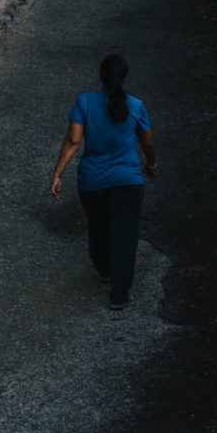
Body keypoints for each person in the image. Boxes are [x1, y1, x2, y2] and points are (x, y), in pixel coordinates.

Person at [48, 53, 156, 311]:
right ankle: (119, 295)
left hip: (93, 183)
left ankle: (105, 269)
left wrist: (57, 174)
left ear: (101, 77)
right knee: (125, 236)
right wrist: (151, 164)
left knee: (98, 229)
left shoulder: (84, 102)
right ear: (125, 78)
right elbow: (147, 142)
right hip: (128, 182)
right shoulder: (136, 106)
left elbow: (73, 141)